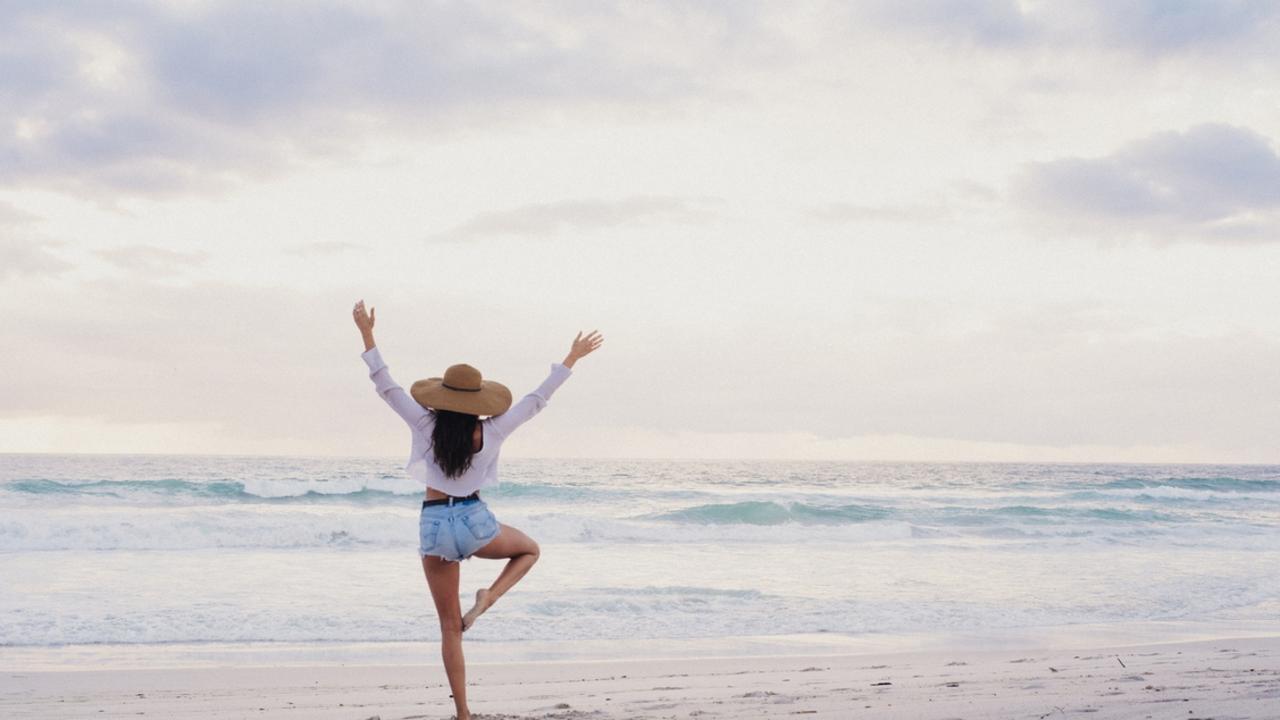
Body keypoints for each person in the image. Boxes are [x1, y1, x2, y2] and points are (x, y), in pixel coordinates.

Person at [351, 299, 602, 720]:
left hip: (433, 525)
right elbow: (536, 400)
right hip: (474, 519)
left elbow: (385, 384)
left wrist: (367, 334)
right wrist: (571, 358)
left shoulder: (424, 424)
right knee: (530, 550)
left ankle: (464, 714)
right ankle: (490, 596)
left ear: (442, 397)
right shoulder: (493, 429)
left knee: (450, 629)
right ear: (478, 401)